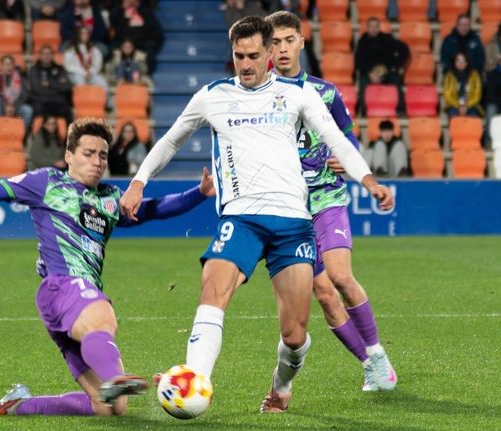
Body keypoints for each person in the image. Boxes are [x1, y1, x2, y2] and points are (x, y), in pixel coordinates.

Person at [119, 16, 394, 413]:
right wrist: (139, 181)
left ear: (269, 54)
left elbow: (337, 139)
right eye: (238, 56)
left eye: (252, 56)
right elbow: (170, 140)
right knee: (212, 289)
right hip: (241, 218)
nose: (245, 65)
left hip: (293, 223)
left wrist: (368, 180)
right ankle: (195, 377)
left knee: (295, 334)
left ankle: (281, 388)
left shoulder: (297, 95)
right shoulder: (213, 96)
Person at [0, 118, 216, 417]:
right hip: (62, 287)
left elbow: (152, 210)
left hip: (71, 303)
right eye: (89, 153)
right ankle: (115, 377)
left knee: (110, 407)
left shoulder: (108, 198)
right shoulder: (46, 183)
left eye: (103, 155)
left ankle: (19, 405)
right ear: (68, 155)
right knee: (101, 316)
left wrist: (199, 193)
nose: (97, 161)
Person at [266, 10, 397, 393]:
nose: (284, 48)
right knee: (323, 295)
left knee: (340, 277)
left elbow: (348, 137)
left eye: (290, 40)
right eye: (276, 42)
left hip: (326, 196)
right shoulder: (260, 97)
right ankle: (368, 364)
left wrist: (349, 157)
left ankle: (377, 353)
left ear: (302, 42)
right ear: (268, 48)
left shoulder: (326, 93)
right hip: (289, 206)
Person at [354, 17, 409, 115]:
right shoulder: (362, 41)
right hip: (370, 73)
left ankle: (401, 110)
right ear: (367, 28)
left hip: (387, 72)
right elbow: (359, 61)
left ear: (379, 27)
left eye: (376, 26)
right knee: (363, 80)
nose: (373, 29)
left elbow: (404, 50)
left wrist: (395, 66)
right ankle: (364, 110)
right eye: (371, 26)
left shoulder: (387, 39)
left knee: (396, 78)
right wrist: (370, 73)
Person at [110, 0, 164, 73]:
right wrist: (123, 9)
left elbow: (158, 35)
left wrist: (138, 8)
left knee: (147, 56)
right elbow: (116, 32)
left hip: (141, 46)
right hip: (122, 44)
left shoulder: (145, 11)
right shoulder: (118, 10)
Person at [29, 45, 74, 122]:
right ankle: (32, 134)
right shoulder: (34, 70)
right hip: (41, 102)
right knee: (33, 112)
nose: (46, 56)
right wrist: (58, 86)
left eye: (49, 53)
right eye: (44, 53)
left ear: (53, 56)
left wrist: (49, 84)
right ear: (40, 56)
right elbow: (37, 89)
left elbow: (67, 87)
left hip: (58, 102)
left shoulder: (60, 69)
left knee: (68, 112)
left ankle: (69, 134)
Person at [0, 54, 33, 131]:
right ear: (1, 66)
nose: (8, 67)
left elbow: (25, 94)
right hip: (2, 107)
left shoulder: (21, 77)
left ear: (13, 65)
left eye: (10, 64)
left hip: (17, 106)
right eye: (5, 64)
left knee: (28, 110)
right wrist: (5, 106)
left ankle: (21, 135)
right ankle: (0, 133)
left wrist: (14, 106)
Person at [63, 26, 108, 91]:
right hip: (76, 74)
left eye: (87, 33)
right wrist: (83, 72)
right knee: (80, 83)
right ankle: (83, 100)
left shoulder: (94, 49)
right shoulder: (70, 49)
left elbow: (97, 64)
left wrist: (91, 72)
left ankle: (107, 101)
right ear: (77, 35)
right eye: (83, 33)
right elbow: (68, 66)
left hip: (91, 74)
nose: (86, 36)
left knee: (104, 84)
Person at [443, 52, 484, 118]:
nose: (461, 63)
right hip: (454, 104)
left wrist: (466, 106)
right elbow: (447, 95)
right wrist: (459, 105)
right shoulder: (449, 75)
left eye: (463, 61)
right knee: (453, 115)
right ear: (454, 62)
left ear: (467, 62)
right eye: (458, 61)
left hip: (471, 104)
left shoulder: (474, 74)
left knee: (473, 116)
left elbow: (477, 94)